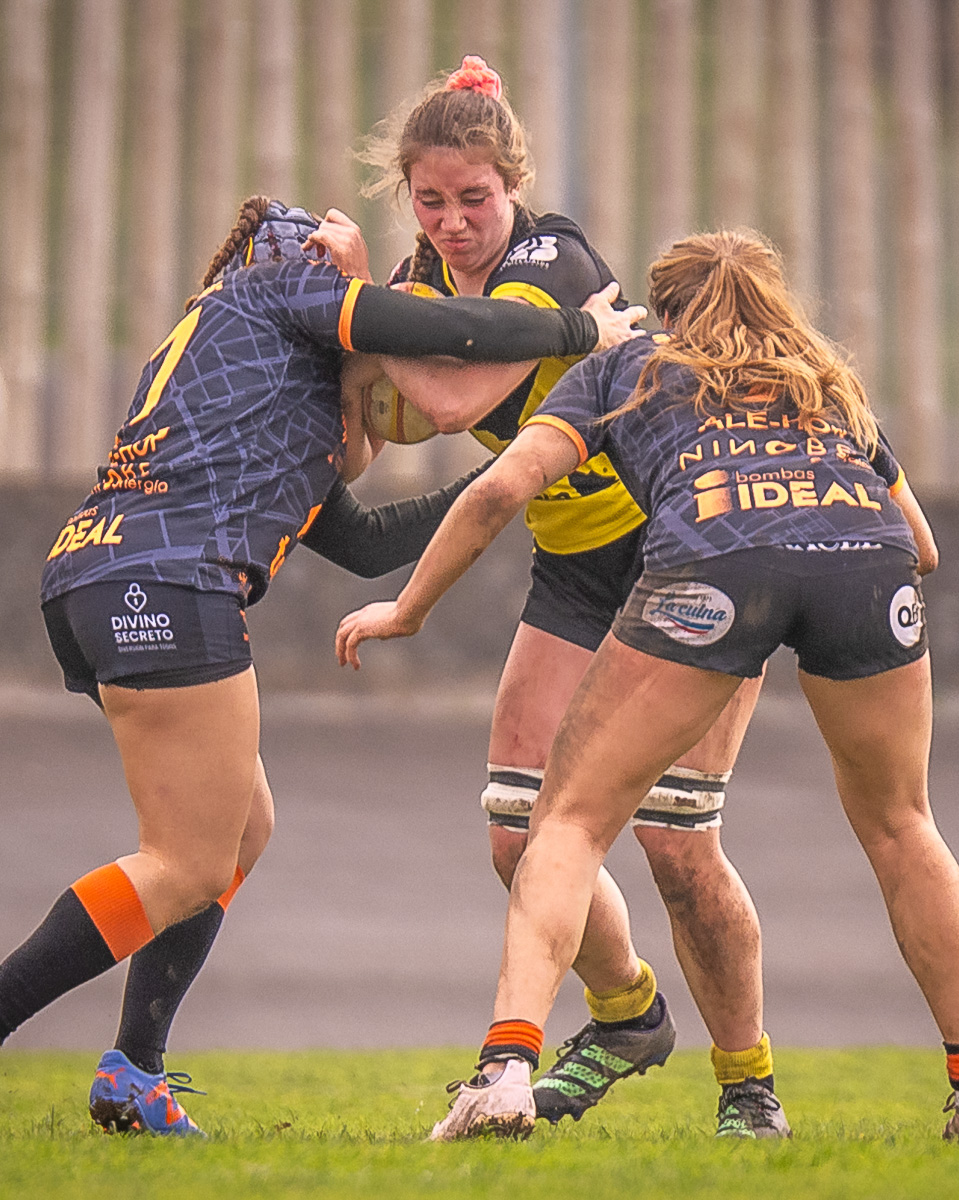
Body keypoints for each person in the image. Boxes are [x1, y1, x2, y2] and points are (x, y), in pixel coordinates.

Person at [0, 197, 645, 1140]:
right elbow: (455, 326)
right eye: (329, 254)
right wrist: (584, 328)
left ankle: (134, 1069)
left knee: (241, 831)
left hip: (100, 576)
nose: (343, 273)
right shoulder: (280, 289)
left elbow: (366, 545)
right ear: (289, 258)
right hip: (165, 586)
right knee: (186, 860)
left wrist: (516, 480)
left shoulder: (252, 367)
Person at [338, 230, 959, 1145]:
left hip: (716, 570)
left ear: (665, 313)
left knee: (571, 819)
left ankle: (505, 1073)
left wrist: (408, 610)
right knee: (903, 826)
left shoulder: (632, 367)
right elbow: (924, 546)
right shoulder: (824, 383)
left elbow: (502, 491)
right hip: (869, 568)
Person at [315, 56, 778, 1134]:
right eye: (430, 202)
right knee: (518, 832)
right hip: (577, 563)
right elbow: (378, 430)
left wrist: (354, 309)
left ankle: (749, 1085)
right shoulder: (422, 286)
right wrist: (354, 347)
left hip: (683, 548)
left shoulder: (552, 258)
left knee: (674, 839)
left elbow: (453, 391)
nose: (454, 221)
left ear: (512, 183)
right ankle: (626, 1017)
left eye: (473, 198)